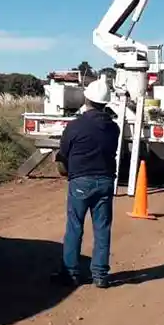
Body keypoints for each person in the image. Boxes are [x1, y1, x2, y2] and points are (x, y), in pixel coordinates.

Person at [54, 77, 119, 289]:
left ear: (87, 99)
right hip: (106, 181)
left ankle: (71, 272)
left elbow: (63, 154)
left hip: (81, 180)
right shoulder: (114, 128)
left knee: (74, 226)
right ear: (106, 102)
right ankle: (100, 275)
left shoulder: (75, 126)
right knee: (102, 228)